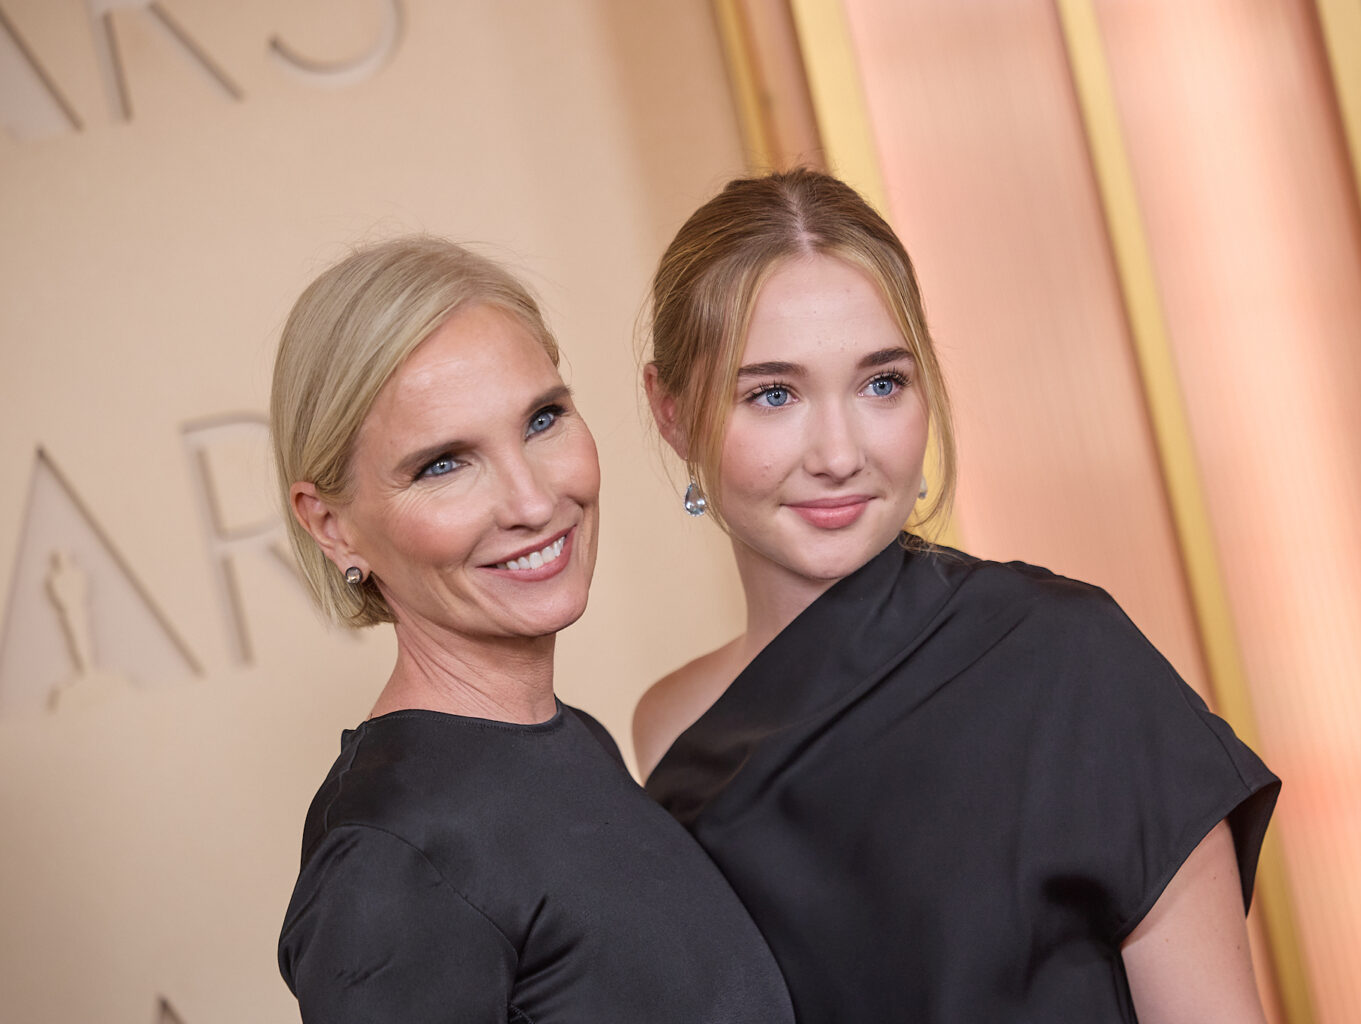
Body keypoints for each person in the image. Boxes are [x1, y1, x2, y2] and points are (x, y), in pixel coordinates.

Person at [637, 169, 1280, 1023]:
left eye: (881, 383)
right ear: (672, 412)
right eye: (774, 394)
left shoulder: (1068, 659)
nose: (839, 452)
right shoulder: (667, 726)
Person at [271, 236, 793, 1023]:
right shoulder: (392, 860)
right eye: (444, 463)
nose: (532, 500)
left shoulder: (568, 739)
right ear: (331, 525)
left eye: (543, 419)